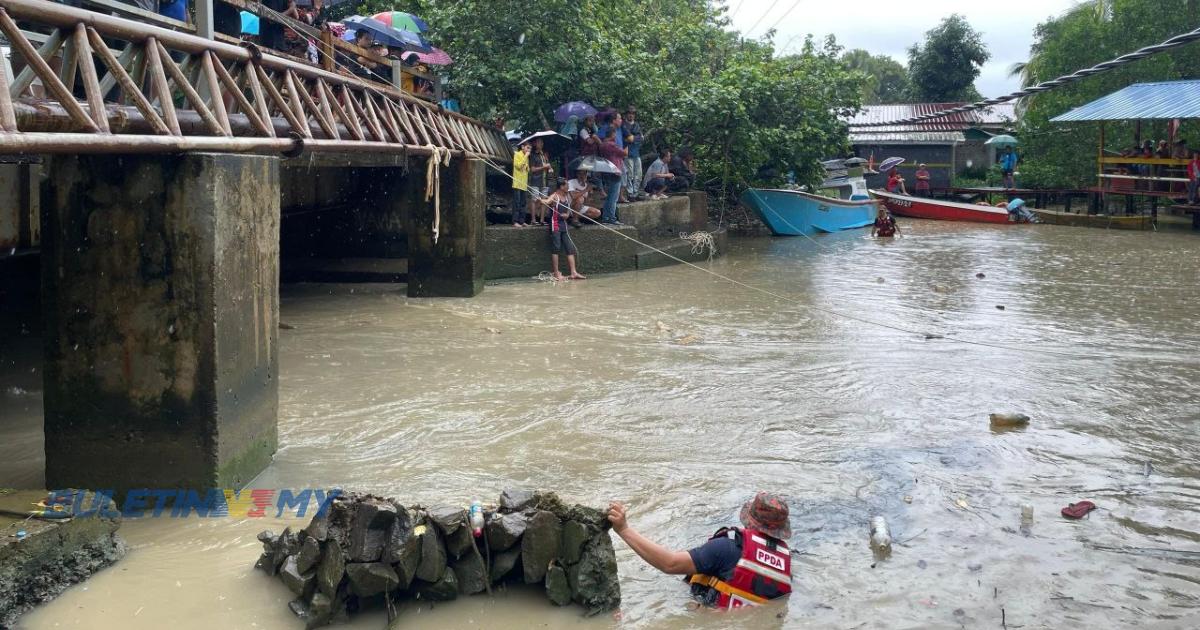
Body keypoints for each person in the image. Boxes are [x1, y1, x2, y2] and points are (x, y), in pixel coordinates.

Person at [606, 492, 793, 610]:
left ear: (749, 519)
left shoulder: (726, 548)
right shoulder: (786, 566)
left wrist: (624, 529)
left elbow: (669, 564)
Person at [546, 179, 586, 280]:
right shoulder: (555, 196)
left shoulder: (567, 197)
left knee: (569, 248)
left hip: (564, 225)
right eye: (567, 185)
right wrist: (542, 200)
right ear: (561, 187)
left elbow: (568, 212)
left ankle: (573, 272)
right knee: (556, 248)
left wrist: (567, 215)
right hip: (555, 224)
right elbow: (547, 201)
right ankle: (556, 273)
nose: (568, 186)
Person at [598, 128, 627, 224]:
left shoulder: (602, 144)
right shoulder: (611, 145)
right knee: (613, 197)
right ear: (612, 135)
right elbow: (624, 153)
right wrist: (627, 145)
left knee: (609, 196)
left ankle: (606, 218)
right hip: (615, 171)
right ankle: (611, 218)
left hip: (606, 171)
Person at [527, 137, 553, 225]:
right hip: (535, 180)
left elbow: (548, 166)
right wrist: (543, 167)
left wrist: (550, 168)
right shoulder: (533, 155)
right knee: (534, 200)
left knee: (544, 200)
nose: (541, 144)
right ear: (535, 144)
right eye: (539, 142)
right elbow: (532, 169)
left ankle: (542, 220)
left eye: (542, 142)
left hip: (545, 181)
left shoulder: (544, 155)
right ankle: (533, 220)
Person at [623, 107, 646, 200]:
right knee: (630, 174)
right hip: (628, 153)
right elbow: (628, 139)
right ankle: (630, 193)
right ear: (626, 114)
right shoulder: (624, 125)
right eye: (629, 113)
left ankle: (635, 193)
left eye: (633, 113)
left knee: (639, 174)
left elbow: (642, 138)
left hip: (636, 152)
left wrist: (634, 138)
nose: (631, 115)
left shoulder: (637, 125)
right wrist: (635, 138)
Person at [511, 142, 531, 227]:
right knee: (517, 203)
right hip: (517, 183)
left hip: (524, 184)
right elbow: (518, 166)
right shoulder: (517, 154)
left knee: (523, 203)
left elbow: (528, 169)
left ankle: (522, 221)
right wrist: (525, 156)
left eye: (530, 148)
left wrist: (526, 165)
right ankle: (515, 221)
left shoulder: (527, 157)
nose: (528, 150)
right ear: (522, 147)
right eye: (527, 147)